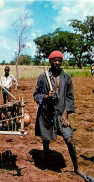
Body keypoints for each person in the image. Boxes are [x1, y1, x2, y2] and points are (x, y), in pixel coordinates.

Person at [33, 50, 89, 179]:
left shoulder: (67, 77)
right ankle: (47, 161)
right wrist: (46, 96)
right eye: (55, 60)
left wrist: (65, 115)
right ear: (50, 61)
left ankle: (77, 168)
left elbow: (69, 98)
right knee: (45, 138)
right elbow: (36, 94)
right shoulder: (43, 77)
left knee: (69, 139)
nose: (57, 62)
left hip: (60, 112)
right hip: (46, 113)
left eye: (59, 60)